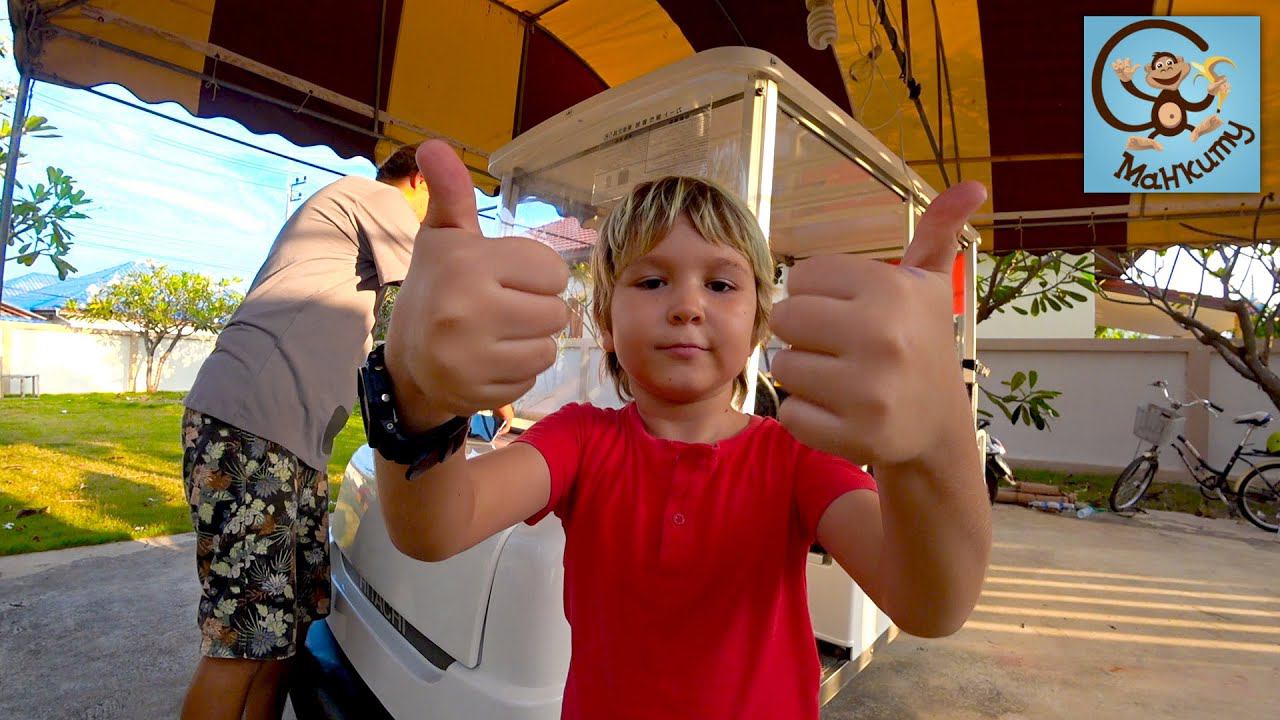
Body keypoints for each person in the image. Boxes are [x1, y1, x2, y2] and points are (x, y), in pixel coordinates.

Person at [374, 140, 992, 719]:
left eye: (720, 284)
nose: (687, 306)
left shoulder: (795, 457)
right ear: (606, 323)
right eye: (651, 281)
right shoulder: (579, 439)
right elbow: (435, 526)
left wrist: (936, 438)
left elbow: (929, 603)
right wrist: (414, 392)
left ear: (757, 323)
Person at [179, 143, 429, 720]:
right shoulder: (376, 197)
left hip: (293, 443)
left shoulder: (357, 240)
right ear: (419, 178)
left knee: (287, 628)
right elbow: (430, 293)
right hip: (250, 425)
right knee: (245, 635)